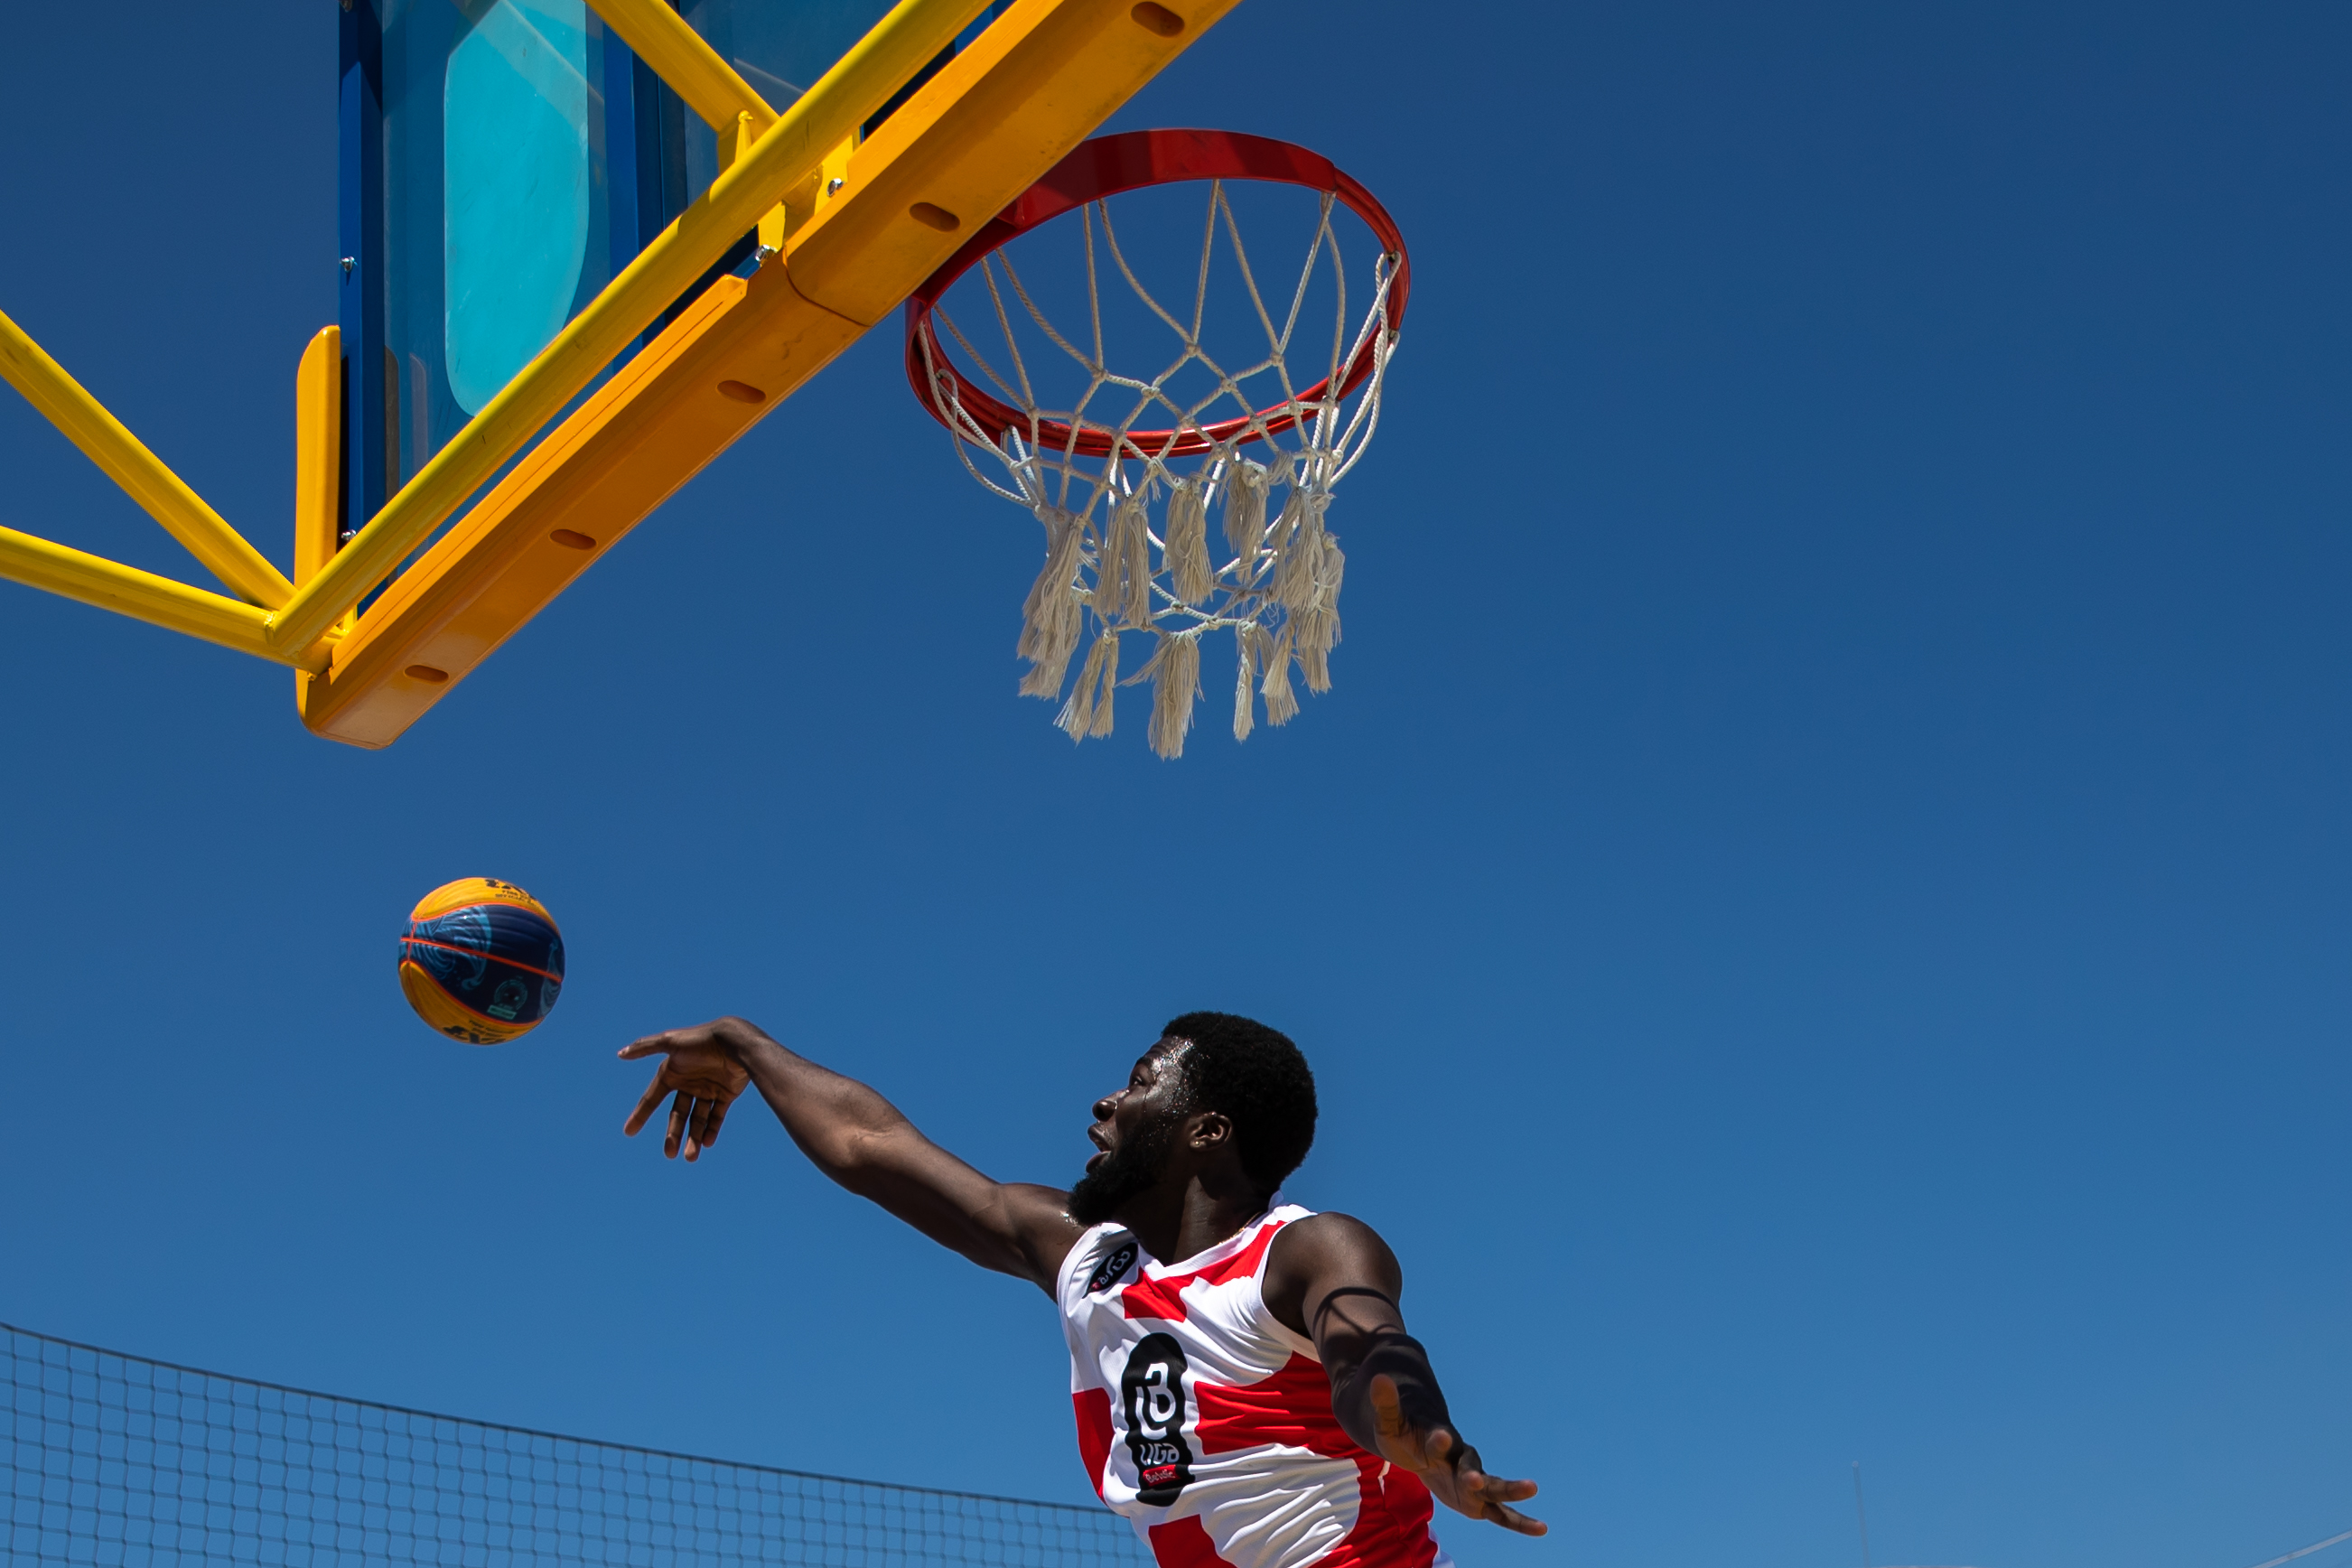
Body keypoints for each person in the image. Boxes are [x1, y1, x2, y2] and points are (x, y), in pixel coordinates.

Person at [620, 1011, 1545, 1568]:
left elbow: (1367, 1343)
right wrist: (747, 1045)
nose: (1105, 1101)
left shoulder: (1297, 1250)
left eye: (1141, 1082)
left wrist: (1421, 1434)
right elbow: (874, 1146)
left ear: (1206, 1129)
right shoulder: (1086, 1257)